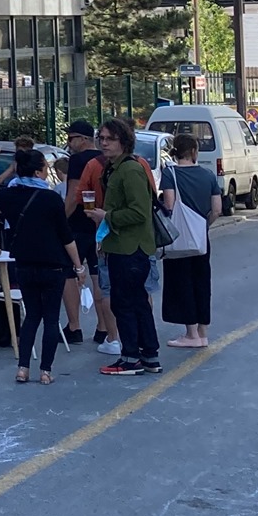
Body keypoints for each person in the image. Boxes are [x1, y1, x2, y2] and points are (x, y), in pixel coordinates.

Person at [0, 149, 86, 385]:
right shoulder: (50, 198)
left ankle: (22, 368)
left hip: (24, 262)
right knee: (51, 318)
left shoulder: (10, 194)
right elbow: (66, 237)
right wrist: (78, 267)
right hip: (53, 264)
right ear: (40, 171)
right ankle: (45, 371)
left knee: (31, 316)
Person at [96, 117, 158, 377]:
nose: (104, 143)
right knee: (136, 301)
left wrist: (107, 217)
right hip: (123, 245)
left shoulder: (129, 170)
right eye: (101, 138)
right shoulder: (115, 168)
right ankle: (148, 355)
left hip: (130, 248)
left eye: (110, 139)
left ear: (124, 141)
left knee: (125, 303)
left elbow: (139, 212)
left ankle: (131, 357)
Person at [159, 131, 221, 349]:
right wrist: (203, 226)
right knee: (201, 282)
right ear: (194, 151)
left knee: (181, 281)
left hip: (179, 238)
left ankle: (191, 334)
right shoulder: (209, 175)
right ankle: (203, 332)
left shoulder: (170, 174)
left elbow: (169, 204)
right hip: (201, 238)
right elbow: (216, 209)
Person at [61, 120, 112, 351]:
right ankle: (103, 327)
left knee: (68, 271)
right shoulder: (105, 159)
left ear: (83, 139)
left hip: (78, 224)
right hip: (99, 223)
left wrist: (60, 220)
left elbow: (73, 194)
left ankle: (74, 326)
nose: (69, 143)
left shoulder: (78, 160)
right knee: (97, 273)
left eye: (71, 138)